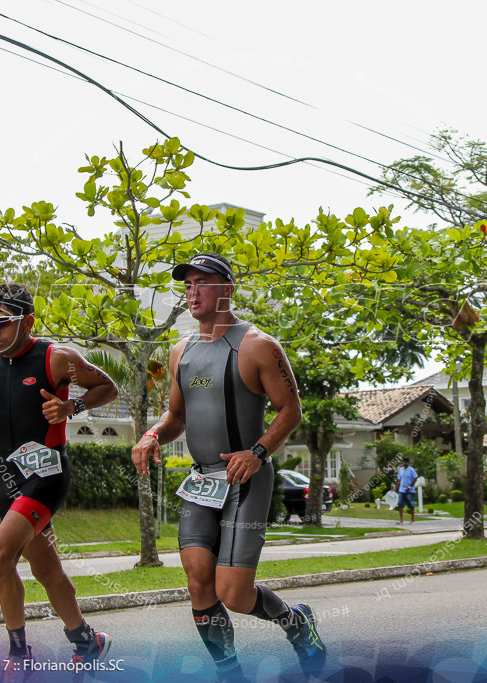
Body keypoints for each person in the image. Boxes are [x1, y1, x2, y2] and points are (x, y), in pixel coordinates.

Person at [131, 253, 326, 680]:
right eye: (188, 283)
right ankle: (229, 671)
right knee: (198, 577)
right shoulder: (180, 349)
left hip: (247, 479)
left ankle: (297, 623)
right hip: (202, 481)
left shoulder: (258, 345)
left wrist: (257, 452)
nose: (192, 291)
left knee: (235, 595)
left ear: (227, 289)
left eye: (203, 282)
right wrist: (151, 435)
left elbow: (291, 409)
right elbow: (175, 417)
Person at [0, 283, 118, 670]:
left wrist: (72, 406)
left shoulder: (57, 358)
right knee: (45, 568)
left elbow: (108, 386)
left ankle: (19, 654)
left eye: (2, 322)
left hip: (47, 474)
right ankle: (86, 640)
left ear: (28, 322)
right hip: (7, 477)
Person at [395, 457, 418, 524]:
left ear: (408, 463)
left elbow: (415, 478)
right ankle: (401, 519)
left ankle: (412, 519)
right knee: (400, 504)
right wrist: (396, 487)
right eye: (403, 462)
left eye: (406, 462)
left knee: (411, 504)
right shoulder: (401, 470)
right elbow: (399, 480)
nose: (404, 463)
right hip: (402, 490)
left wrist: (410, 486)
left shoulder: (411, 470)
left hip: (409, 491)